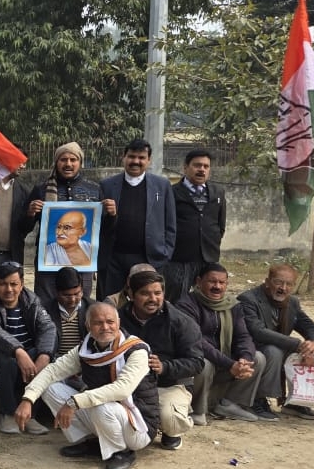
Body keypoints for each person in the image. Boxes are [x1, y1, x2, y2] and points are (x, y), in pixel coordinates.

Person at [15, 303, 159, 469]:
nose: (105, 327)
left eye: (110, 322)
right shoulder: (86, 349)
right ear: (88, 325)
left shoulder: (136, 351)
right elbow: (52, 371)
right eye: (98, 323)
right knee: (50, 388)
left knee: (101, 406)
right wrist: (28, 399)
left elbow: (122, 390)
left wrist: (74, 402)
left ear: (118, 323)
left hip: (139, 428)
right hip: (106, 414)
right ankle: (93, 442)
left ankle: (121, 452)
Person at [116, 270, 204, 451]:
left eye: (157, 293)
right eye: (145, 293)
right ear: (131, 294)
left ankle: (172, 430)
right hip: (126, 384)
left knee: (170, 418)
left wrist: (164, 367)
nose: (153, 299)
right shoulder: (116, 319)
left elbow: (197, 362)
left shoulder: (181, 321)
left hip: (168, 385)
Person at [0, 261, 56, 435]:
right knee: (5, 360)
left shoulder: (31, 300)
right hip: (3, 356)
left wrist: (45, 354)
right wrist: (18, 351)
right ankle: (8, 413)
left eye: (14, 284)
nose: (9, 289)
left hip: (28, 354)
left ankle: (31, 415)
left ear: (22, 284)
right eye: (3, 284)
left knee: (40, 359)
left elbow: (48, 327)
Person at [176, 263, 265, 424]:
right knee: (203, 363)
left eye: (222, 282)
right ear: (199, 281)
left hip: (224, 361)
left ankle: (229, 403)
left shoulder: (232, 305)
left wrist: (244, 359)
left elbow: (243, 336)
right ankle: (197, 410)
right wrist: (230, 364)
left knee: (257, 358)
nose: (217, 287)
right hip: (201, 360)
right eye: (212, 281)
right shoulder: (186, 305)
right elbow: (197, 342)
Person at [237, 263, 314, 422]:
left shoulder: (292, 302)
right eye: (278, 282)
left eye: (289, 284)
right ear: (267, 282)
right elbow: (258, 331)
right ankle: (258, 400)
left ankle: (297, 401)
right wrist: (297, 344)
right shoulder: (249, 299)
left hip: (276, 345)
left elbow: (311, 327)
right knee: (274, 351)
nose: (283, 288)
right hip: (251, 348)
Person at [17, 141, 103, 305]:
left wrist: (112, 215)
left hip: (83, 265)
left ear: (80, 162)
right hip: (48, 264)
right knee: (46, 305)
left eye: (73, 159)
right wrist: (30, 213)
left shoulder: (94, 190)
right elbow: (22, 228)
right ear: (56, 162)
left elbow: (104, 228)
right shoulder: (41, 189)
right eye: (63, 159)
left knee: (80, 304)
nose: (68, 164)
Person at [98, 138, 175, 300]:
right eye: (132, 156)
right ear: (123, 157)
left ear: (149, 160)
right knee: (110, 303)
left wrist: (165, 253)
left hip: (149, 257)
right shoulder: (107, 185)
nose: (136, 161)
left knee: (146, 302)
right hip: (114, 259)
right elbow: (99, 225)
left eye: (141, 158)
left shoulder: (162, 186)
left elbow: (170, 224)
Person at [164, 149, 225, 303]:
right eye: (197, 165)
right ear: (185, 167)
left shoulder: (218, 192)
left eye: (206, 166)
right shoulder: (172, 193)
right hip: (179, 259)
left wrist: (213, 240)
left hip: (208, 257)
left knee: (208, 299)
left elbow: (220, 224)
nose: (202, 169)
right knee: (177, 300)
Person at [44, 266, 96, 360]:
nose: (72, 299)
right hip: (55, 361)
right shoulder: (45, 310)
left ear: (82, 290)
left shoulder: (93, 308)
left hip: (84, 360)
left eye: (76, 294)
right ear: (56, 292)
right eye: (66, 295)